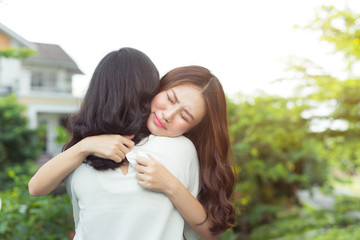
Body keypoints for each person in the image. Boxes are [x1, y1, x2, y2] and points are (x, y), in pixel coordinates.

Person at [28, 48, 236, 240]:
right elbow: (35, 188)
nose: (168, 115)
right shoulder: (85, 152)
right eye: (170, 99)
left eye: (185, 116)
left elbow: (210, 230)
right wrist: (86, 146)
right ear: (155, 89)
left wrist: (171, 186)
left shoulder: (180, 149)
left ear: (192, 128)